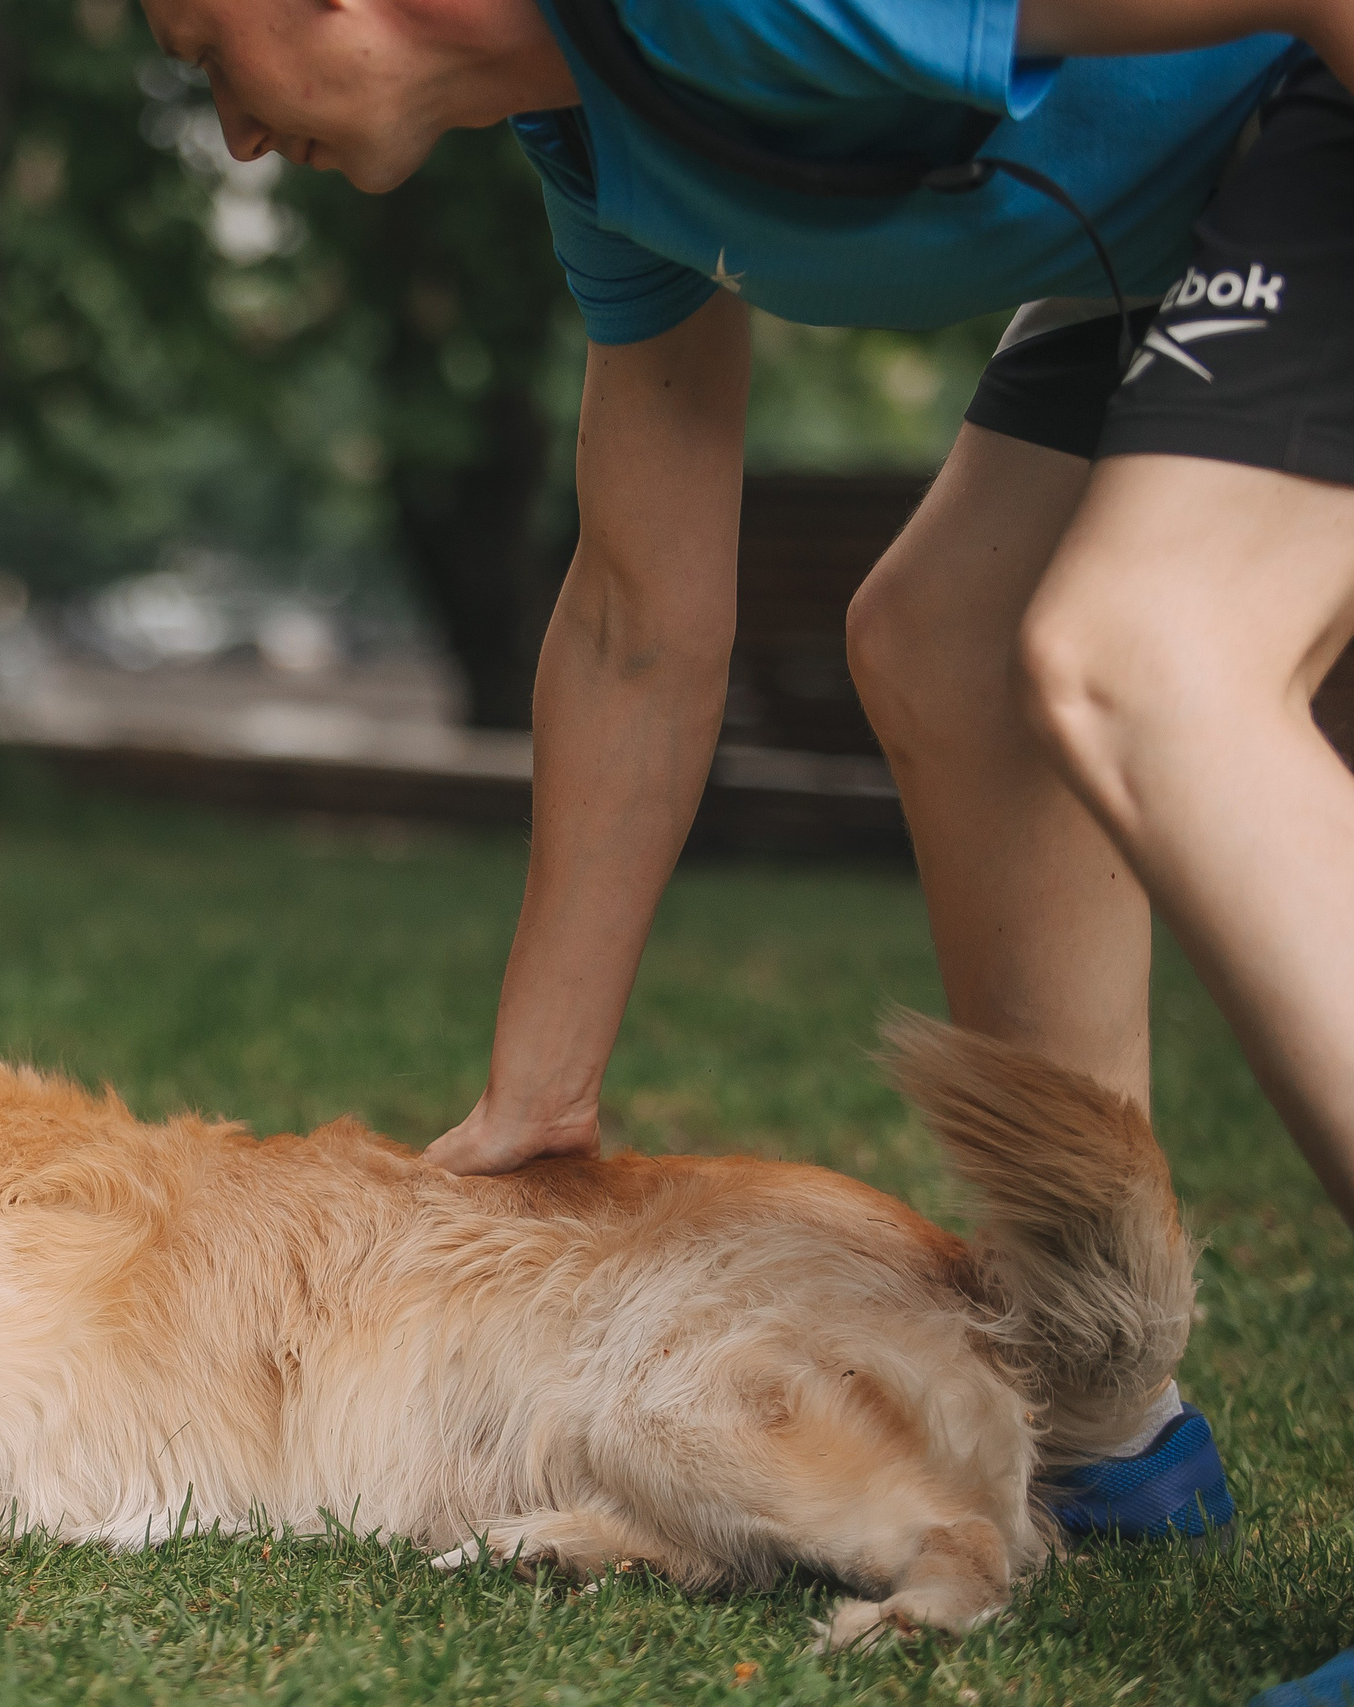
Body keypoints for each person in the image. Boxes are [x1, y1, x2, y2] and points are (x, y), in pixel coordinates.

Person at [128, 0, 1352, 1693]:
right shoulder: (597, 145)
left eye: (205, 57)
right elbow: (640, 612)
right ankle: (1107, 1408)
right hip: (1188, 205)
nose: (236, 133)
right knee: (947, 637)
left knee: (1152, 653)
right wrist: (535, 1098)